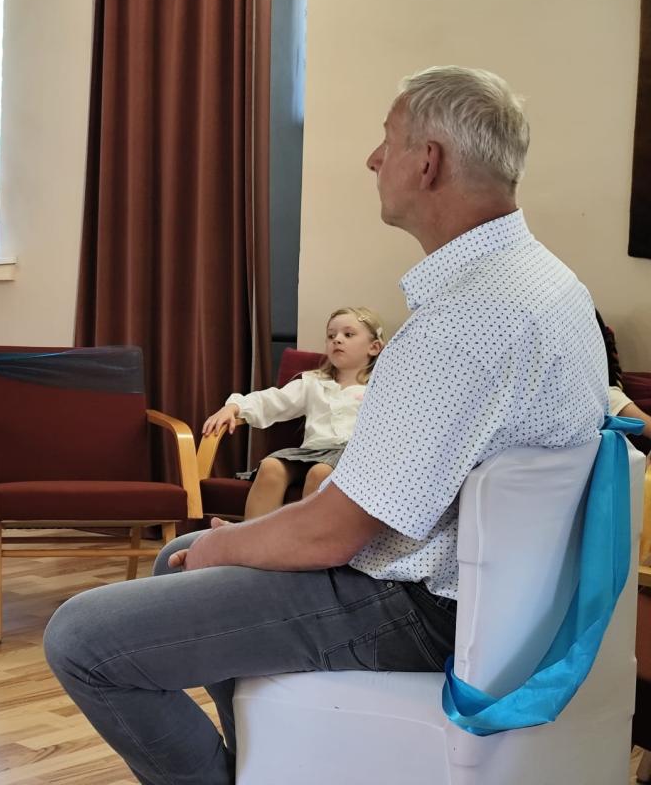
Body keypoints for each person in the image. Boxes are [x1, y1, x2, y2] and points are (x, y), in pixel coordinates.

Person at [44, 66, 608, 785]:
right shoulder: (553, 284)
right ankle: (264, 766)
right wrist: (225, 545)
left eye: (387, 140)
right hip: (505, 603)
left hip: (420, 609)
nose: (374, 159)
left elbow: (335, 533)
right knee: (179, 555)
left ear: (428, 161)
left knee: (81, 638)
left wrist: (230, 545)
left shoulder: (462, 322)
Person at [203, 306, 385, 519]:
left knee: (321, 472)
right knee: (271, 467)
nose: (337, 340)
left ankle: (305, 538)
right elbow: (272, 400)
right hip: (310, 453)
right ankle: (252, 535)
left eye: (348, 334)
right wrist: (234, 407)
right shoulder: (313, 382)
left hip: (351, 457)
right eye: (331, 336)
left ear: (374, 347)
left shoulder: (381, 389)